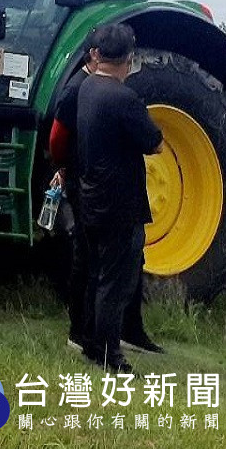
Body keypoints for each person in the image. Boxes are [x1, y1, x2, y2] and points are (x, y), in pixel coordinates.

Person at [49, 30, 162, 357]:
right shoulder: (116, 96)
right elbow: (155, 142)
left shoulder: (86, 88)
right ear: (127, 58)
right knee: (108, 277)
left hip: (93, 193)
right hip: (114, 200)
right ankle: (104, 349)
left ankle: (102, 338)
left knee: (102, 270)